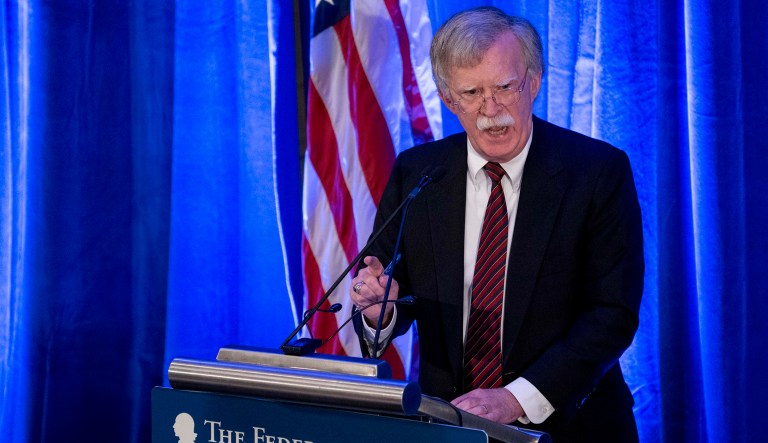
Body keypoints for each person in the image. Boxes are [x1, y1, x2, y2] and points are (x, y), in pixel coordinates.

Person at [349, 6, 644, 442]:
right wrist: (379, 311)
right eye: (470, 93)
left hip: (572, 427)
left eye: (505, 87)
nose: (491, 109)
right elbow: (390, 288)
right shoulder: (419, 174)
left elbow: (611, 314)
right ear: (449, 99)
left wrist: (515, 399)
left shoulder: (597, 173)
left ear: (534, 82)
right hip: (447, 426)